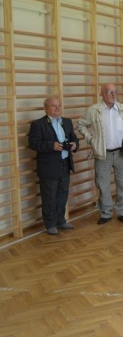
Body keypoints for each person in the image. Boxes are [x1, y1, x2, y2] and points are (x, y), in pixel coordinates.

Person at [78, 84, 123, 225]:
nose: (113, 94)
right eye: (110, 92)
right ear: (102, 94)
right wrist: (91, 139)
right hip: (102, 154)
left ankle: (122, 212)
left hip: (122, 153)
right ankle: (105, 213)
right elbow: (81, 124)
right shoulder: (93, 110)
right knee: (102, 184)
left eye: (115, 92)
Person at [28, 96, 79, 235]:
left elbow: (74, 138)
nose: (57, 108)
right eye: (53, 105)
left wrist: (75, 145)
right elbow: (33, 143)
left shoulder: (67, 122)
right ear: (46, 108)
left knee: (62, 194)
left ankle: (60, 221)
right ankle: (50, 224)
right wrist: (52, 145)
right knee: (49, 196)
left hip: (65, 163)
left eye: (59, 105)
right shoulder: (38, 124)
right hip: (49, 166)